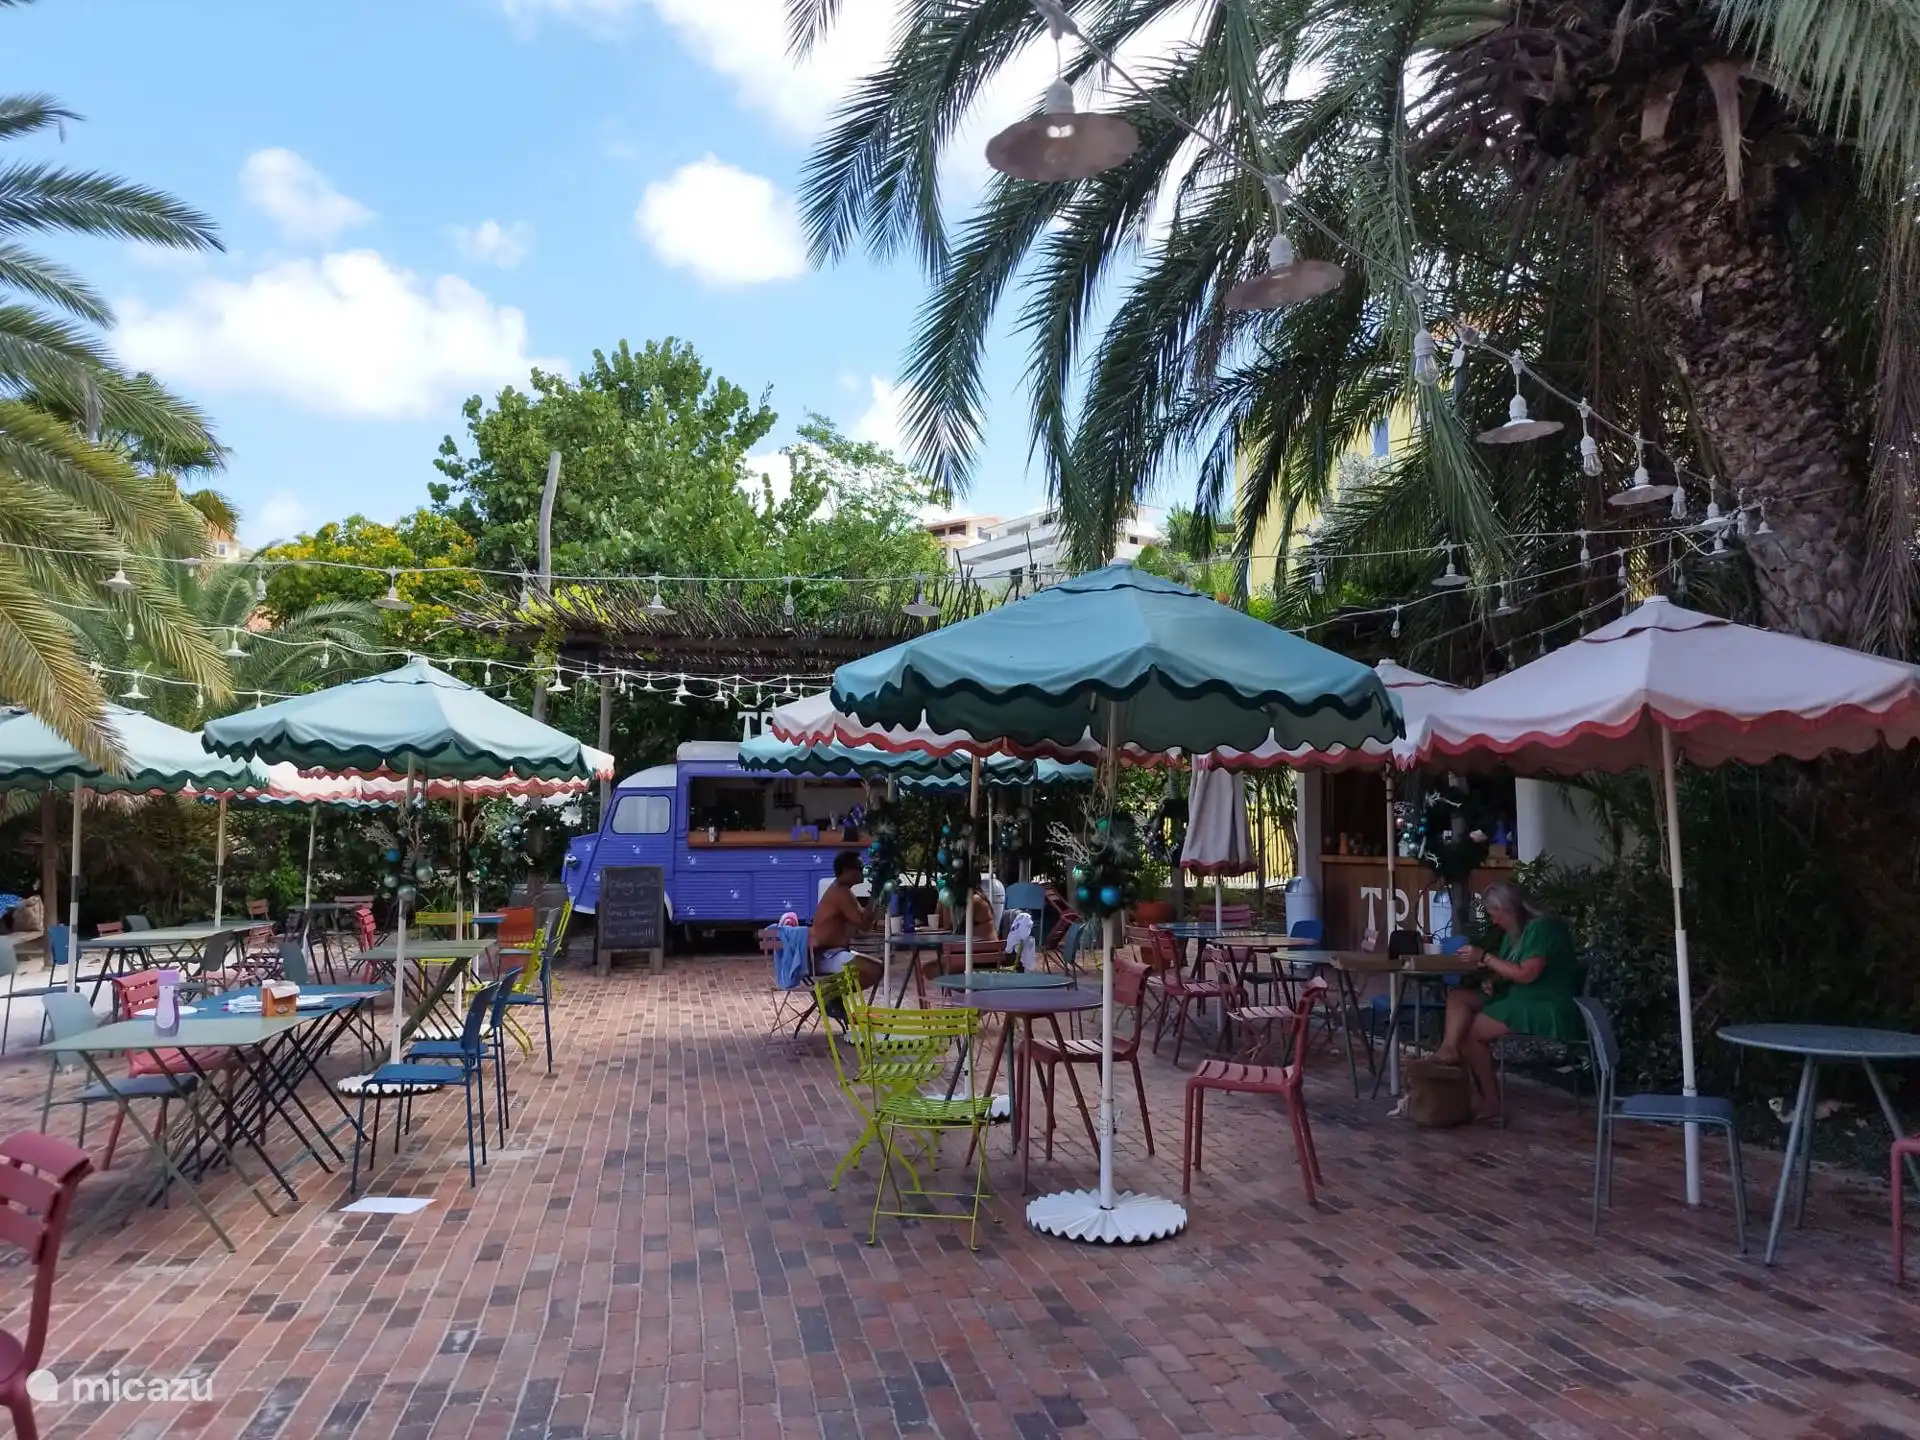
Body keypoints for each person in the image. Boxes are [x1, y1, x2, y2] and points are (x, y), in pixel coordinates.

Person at [1432, 879, 1583, 1121]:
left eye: (1496, 915)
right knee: (1459, 998)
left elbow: (1526, 973)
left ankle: (1490, 1102)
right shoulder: (1515, 933)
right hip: (1517, 995)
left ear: (1510, 909)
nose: (1494, 921)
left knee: (1471, 1034)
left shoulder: (1542, 928)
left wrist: (1486, 958)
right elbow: (1509, 969)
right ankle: (1448, 1049)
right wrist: (1492, 980)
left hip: (1543, 1003)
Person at [810, 852, 882, 992]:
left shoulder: (843, 890)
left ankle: (831, 996)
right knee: (875, 969)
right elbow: (863, 923)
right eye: (860, 868)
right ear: (847, 871)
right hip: (827, 955)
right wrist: (875, 896)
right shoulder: (840, 892)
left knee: (876, 968)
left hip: (834, 953)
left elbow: (864, 924)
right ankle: (829, 996)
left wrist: (875, 900)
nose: (863, 872)